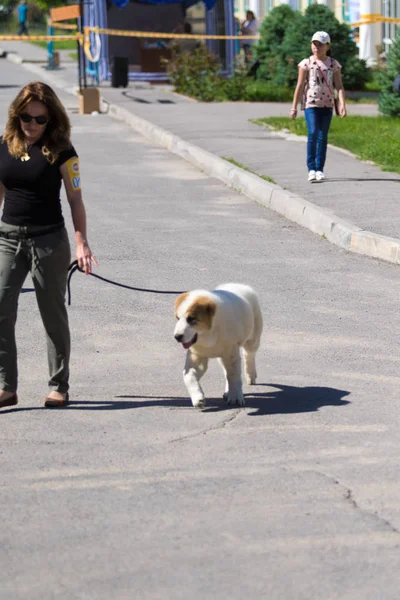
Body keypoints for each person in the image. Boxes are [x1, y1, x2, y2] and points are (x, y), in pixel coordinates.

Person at [0, 81, 97, 410]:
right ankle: (6, 387)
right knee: (1, 309)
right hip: (8, 237)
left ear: (52, 120)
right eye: (26, 118)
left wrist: (81, 242)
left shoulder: (63, 151)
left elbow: (75, 199)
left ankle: (59, 386)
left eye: (40, 120)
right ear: (17, 116)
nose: (32, 125)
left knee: (52, 314)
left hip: (48, 241)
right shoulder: (4, 146)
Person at [290, 31, 347, 182]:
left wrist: (342, 104)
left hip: (327, 105)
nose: (316, 47)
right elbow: (300, 85)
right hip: (311, 104)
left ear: (327, 46)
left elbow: (339, 86)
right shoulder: (306, 63)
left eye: (320, 44)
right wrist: (294, 107)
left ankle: (319, 169)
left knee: (323, 137)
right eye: (314, 44)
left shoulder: (333, 64)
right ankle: (311, 169)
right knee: (313, 133)